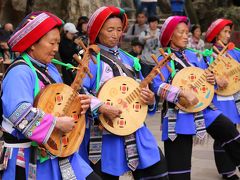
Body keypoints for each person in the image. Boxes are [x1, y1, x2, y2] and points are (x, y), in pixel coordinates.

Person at [1, 11, 101, 180]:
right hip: (28, 159)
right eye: (52, 43)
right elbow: (18, 113)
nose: (56, 49)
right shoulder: (20, 72)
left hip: (56, 150)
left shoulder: (50, 69)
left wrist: (78, 105)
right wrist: (56, 123)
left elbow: (57, 104)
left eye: (58, 43)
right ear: (33, 44)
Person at [83, 6, 169, 180]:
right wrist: (101, 107)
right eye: (110, 30)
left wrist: (150, 99)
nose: (115, 34)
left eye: (119, 30)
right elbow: (79, 93)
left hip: (135, 128)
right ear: (98, 31)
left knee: (158, 172)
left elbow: (141, 87)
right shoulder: (89, 59)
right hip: (104, 132)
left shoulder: (129, 59)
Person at [152, 16, 240, 180]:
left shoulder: (195, 56)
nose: (186, 36)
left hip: (204, 109)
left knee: (231, 134)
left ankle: (230, 170)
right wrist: (181, 93)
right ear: (170, 35)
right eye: (181, 32)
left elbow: (207, 78)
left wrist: (212, 80)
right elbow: (157, 86)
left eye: (187, 32)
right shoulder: (162, 59)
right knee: (179, 173)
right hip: (177, 116)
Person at [204, 18, 240, 180]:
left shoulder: (233, 52)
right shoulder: (207, 55)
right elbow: (203, 76)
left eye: (228, 31)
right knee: (221, 134)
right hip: (217, 98)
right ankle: (227, 170)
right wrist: (217, 80)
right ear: (215, 34)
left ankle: (232, 164)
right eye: (225, 32)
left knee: (232, 130)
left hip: (233, 98)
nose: (228, 35)